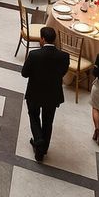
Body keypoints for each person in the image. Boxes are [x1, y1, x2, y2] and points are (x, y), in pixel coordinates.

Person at [21, 25, 70, 162]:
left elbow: (24, 73)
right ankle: (43, 149)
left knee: (34, 116)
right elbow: (63, 73)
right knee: (48, 121)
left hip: (35, 93)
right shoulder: (64, 56)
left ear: (42, 39)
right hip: (53, 95)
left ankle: (38, 141)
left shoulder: (34, 55)